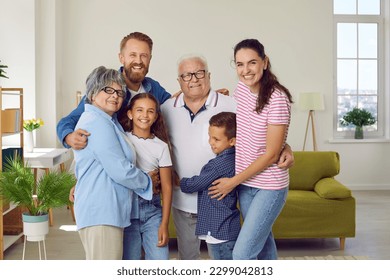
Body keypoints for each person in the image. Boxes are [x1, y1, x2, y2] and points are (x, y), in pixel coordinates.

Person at [162, 54, 294, 260]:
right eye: (186, 75)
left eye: (199, 73)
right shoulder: (166, 109)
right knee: (187, 259)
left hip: (220, 201)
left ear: (209, 75)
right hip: (184, 200)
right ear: (179, 81)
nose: (193, 79)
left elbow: (260, 131)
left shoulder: (232, 104)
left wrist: (285, 146)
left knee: (226, 257)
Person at [209, 39, 293, 260]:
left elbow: (271, 154)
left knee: (242, 254)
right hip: (247, 186)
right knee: (264, 247)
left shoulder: (277, 98)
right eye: (239, 64)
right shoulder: (241, 91)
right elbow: (246, 130)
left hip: (269, 187)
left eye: (252, 63)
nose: (245, 70)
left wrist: (232, 182)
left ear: (264, 62)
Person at [73, 66, 153, 260]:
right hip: (101, 211)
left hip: (107, 211)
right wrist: (148, 182)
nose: (115, 96)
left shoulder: (108, 120)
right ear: (92, 93)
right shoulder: (96, 122)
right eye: (107, 90)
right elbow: (120, 170)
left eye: (119, 92)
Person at [57, 32, 171, 150]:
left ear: (150, 59)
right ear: (121, 58)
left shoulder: (153, 87)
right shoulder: (105, 88)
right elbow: (68, 120)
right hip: (115, 158)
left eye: (144, 56)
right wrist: (69, 137)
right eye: (132, 55)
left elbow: (173, 106)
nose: (138, 61)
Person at [118, 93, 172, 260]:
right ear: (130, 114)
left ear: (155, 116)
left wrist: (164, 224)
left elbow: (167, 187)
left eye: (150, 111)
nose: (145, 115)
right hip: (127, 212)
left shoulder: (161, 147)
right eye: (139, 110)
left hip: (152, 212)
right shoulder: (122, 139)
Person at [180, 112, 240, 260]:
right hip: (227, 226)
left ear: (232, 141)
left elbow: (195, 184)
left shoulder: (218, 165)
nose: (210, 142)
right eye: (209, 136)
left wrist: (179, 182)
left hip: (219, 229)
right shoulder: (235, 158)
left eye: (216, 139)